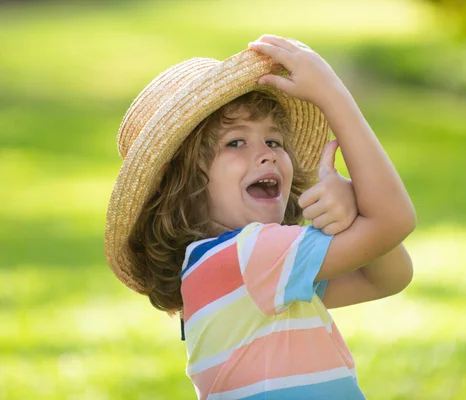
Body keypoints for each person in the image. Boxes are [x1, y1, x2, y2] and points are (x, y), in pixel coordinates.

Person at [105, 34, 416, 399]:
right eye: (235, 142)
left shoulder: (234, 269)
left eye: (274, 141)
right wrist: (332, 95)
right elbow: (394, 222)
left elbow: (387, 278)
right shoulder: (248, 256)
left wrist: (349, 214)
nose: (267, 155)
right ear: (181, 182)